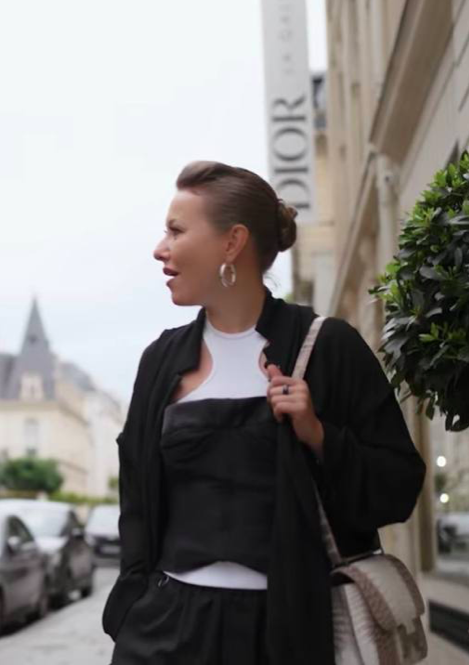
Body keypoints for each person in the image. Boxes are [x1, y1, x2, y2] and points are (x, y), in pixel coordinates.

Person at [102, 161, 425, 664]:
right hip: (166, 632)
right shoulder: (161, 360)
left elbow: (398, 487)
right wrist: (133, 607)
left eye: (176, 231)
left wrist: (318, 435)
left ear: (232, 243)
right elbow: (136, 501)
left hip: (289, 633)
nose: (160, 249)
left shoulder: (328, 346)